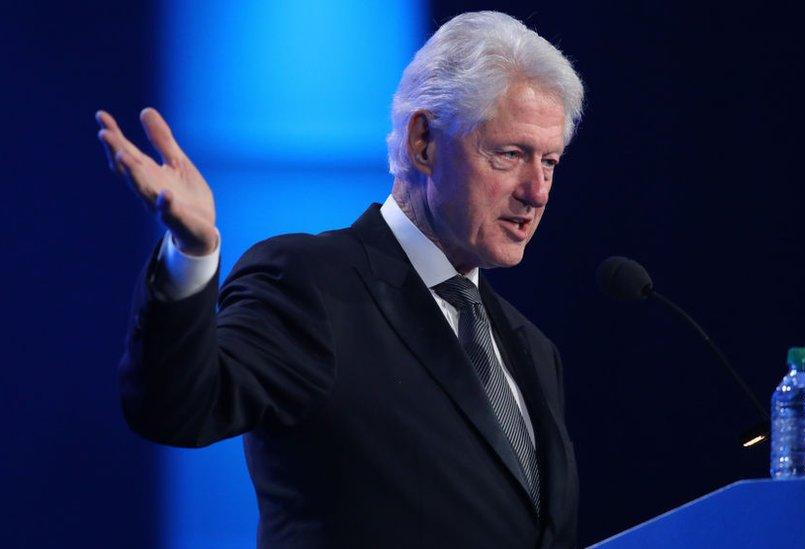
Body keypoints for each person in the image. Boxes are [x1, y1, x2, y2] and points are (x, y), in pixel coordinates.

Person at [97, 11, 584, 548]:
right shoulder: (310, 285)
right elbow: (175, 407)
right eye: (510, 154)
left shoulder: (534, 351)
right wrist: (192, 252)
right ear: (424, 142)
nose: (536, 191)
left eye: (551, 162)